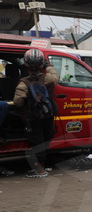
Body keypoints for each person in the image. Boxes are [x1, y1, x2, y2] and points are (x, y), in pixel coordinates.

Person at [12, 49, 59, 178]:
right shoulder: (49, 78)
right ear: (41, 65)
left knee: (36, 142)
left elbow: (18, 102)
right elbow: (56, 77)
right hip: (48, 115)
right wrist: (48, 66)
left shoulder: (23, 83)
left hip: (32, 118)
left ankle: (40, 170)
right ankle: (43, 167)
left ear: (26, 65)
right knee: (45, 139)